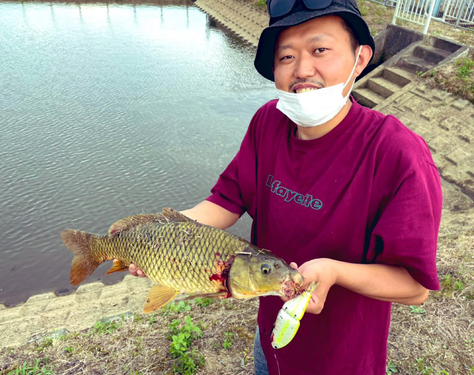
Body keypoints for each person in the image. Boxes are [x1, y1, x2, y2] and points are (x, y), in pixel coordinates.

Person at [129, 0, 442, 373]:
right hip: (271, 340)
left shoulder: (396, 153)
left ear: (360, 59)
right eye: (287, 57)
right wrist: (159, 237)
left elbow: (415, 287)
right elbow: (226, 200)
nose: (302, 69)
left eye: (320, 49)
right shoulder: (268, 123)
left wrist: (335, 272)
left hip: (341, 358)